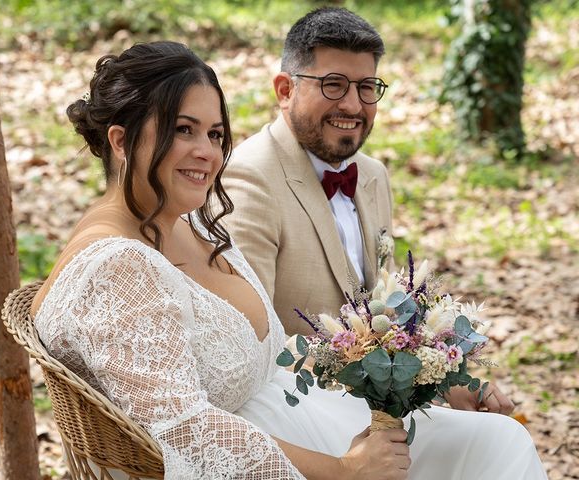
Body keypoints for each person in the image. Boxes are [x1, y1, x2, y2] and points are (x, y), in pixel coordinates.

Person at [30, 40, 413, 480]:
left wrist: (397, 377)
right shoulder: (118, 269)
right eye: (183, 130)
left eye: (214, 134)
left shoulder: (186, 220)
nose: (208, 152)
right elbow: (184, 431)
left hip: (310, 413)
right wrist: (346, 470)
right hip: (286, 461)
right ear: (120, 141)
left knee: (490, 440)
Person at [223, 7, 548, 479]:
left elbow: (384, 314)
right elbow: (251, 338)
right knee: (499, 443)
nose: (353, 105)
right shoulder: (249, 178)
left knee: (500, 441)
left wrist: (436, 383)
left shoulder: (372, 176)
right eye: (333, 84)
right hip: (295, 414)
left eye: (366, 87)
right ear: (285, 89)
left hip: (375, 408)